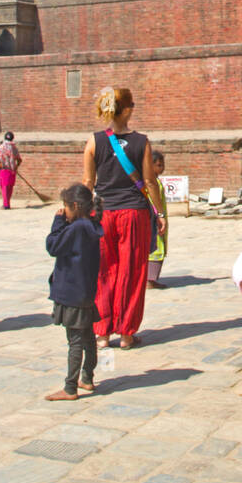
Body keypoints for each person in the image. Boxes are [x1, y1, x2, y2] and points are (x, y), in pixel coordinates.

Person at [82, 87, 165, 349]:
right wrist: (160, 213)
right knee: (132, 271)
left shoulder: (94, 141)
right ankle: (126, 333)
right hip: (134, 213)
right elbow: (150, 180)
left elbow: (88, 181)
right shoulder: (142, 142)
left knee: (104, 271)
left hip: (104, 211)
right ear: (127, 110)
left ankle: (102, 332)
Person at [44, 183, 103, 402]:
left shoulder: (76, 228)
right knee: (88, 337)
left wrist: (58, 222)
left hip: (72, 292)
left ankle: (70, 387)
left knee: (76, 341)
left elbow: (53, 246)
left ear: (75, 206)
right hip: (86, 290)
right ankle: (87, 377)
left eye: (66, 207)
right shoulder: (91, 226)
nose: (64, 211)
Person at [147, 150, 168, 288]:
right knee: (155, 248)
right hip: (155, 219)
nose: (162, 168)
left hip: (159, 218)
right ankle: (150, 280)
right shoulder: (150, 182)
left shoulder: (156, 181)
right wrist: (159, 216)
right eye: (159, 165)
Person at [0, 131, 22, 209]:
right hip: (12, 171)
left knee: (4, 188)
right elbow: (19, 160)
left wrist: (0, 161)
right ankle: (7, 203)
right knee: (10, 187)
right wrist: (16, 166)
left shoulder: (1, 147)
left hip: (4, 169)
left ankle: (6, 205)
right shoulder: (14, 148)